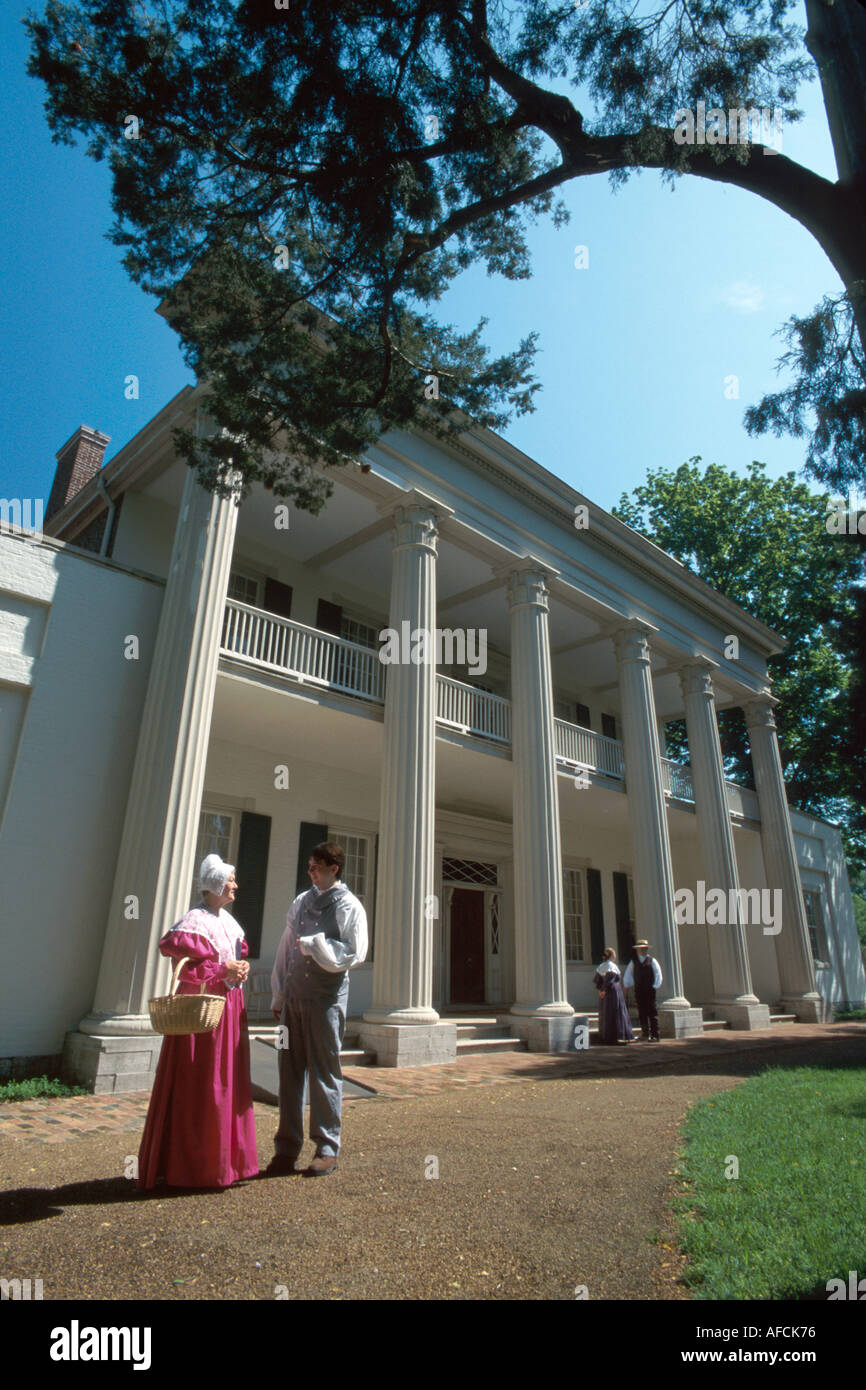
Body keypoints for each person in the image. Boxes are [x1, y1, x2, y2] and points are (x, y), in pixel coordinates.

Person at [137, 854, 259, 1189]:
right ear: (216, 885)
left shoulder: (230, 923)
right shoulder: (194, 921)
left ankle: (227, 1163)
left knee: (228, 1078)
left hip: (230, 1005)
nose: (235, 886)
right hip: (203, 1011)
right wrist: (222, 970)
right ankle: (197, 1166)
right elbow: (186, 968)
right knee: (203, 1079)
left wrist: (240, 969)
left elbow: (232, 958)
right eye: (230, 880)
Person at [264, 842, 368, 1178]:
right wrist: (278, 997)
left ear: (333, 869)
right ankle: (286, 1147)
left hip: (325, 1001)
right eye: (309, 866)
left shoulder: (348, 906)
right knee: (288, 1071)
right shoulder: (301, 901)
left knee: (325, 1070)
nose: (310, 872)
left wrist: (316, 946)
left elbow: (355, 952)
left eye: (316, 866)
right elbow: (285, 948)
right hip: (293, 1000)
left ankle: (327, 1147)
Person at [622, 938, 663, 1041]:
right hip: (639, 989)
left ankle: (655, 1034)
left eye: (643, 948)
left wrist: (655, 986)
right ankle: (645, 1033)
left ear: (646, 949)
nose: (642, 950)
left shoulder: (652, 961)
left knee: (652, 1012)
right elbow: (628, 973)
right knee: (642, 1012)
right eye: (640, 949)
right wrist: (627, 985)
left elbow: (658, 974)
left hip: (649, 989)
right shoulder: (633, 962)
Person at [592, 947, 634, 1045]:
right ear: (611, 955)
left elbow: (598, 980)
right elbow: (609, 980)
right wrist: (604, 989)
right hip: (613, 992)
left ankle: (606, 1036)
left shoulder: (602, 966)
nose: (615, 956)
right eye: (614, 954)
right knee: (615, 1011)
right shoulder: (611, 966)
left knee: (606, 1012)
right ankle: (616, 1036)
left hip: (605, 993)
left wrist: (600, 990)